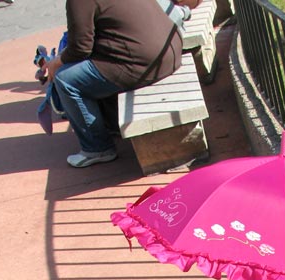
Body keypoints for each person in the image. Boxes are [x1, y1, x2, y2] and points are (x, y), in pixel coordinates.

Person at [45, 0, 185, 168]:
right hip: (169, 52)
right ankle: (112, 125)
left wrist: (55, 62)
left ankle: (97, 148)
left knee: (66, 79)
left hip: (143, 63)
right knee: (93, 67)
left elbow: (80, 48)